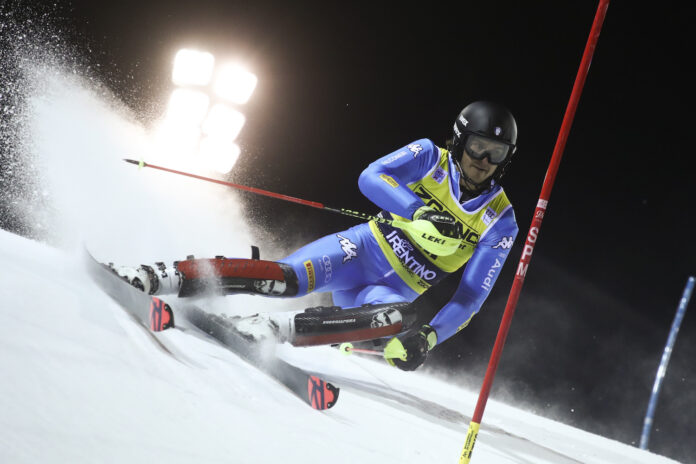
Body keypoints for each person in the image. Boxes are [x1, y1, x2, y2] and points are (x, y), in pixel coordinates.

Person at [113, 101, 519, 371]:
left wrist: (428, 339)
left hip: (389, 292)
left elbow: (470, 297)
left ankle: (270, 328)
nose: (484, 160)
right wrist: (417, 210)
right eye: (478, 147)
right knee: (286, 279)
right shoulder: (429, 157)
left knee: (402, 319)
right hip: (359, 251)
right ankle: (161, 275)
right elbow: (371, 177)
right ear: (460, 141)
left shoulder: (500, 221)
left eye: (496, 153)